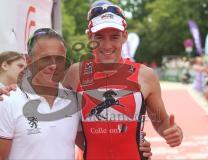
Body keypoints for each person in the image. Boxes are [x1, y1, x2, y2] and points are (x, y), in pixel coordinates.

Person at [0, 28, 153, 159]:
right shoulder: (8, 101)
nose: (53, 65)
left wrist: (136, 144)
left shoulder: (74, 101)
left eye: (59, 58)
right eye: (45, 58)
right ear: (29, 60)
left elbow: (92, 144)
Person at [62, 0, 183, 159]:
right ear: (89, 36)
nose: (107, 45)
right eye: (99, 37)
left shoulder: (145, 76)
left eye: (114, 37)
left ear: (124, 36)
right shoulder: (74, 74)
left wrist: (175, 132)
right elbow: (57, 117)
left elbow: (161, 122)